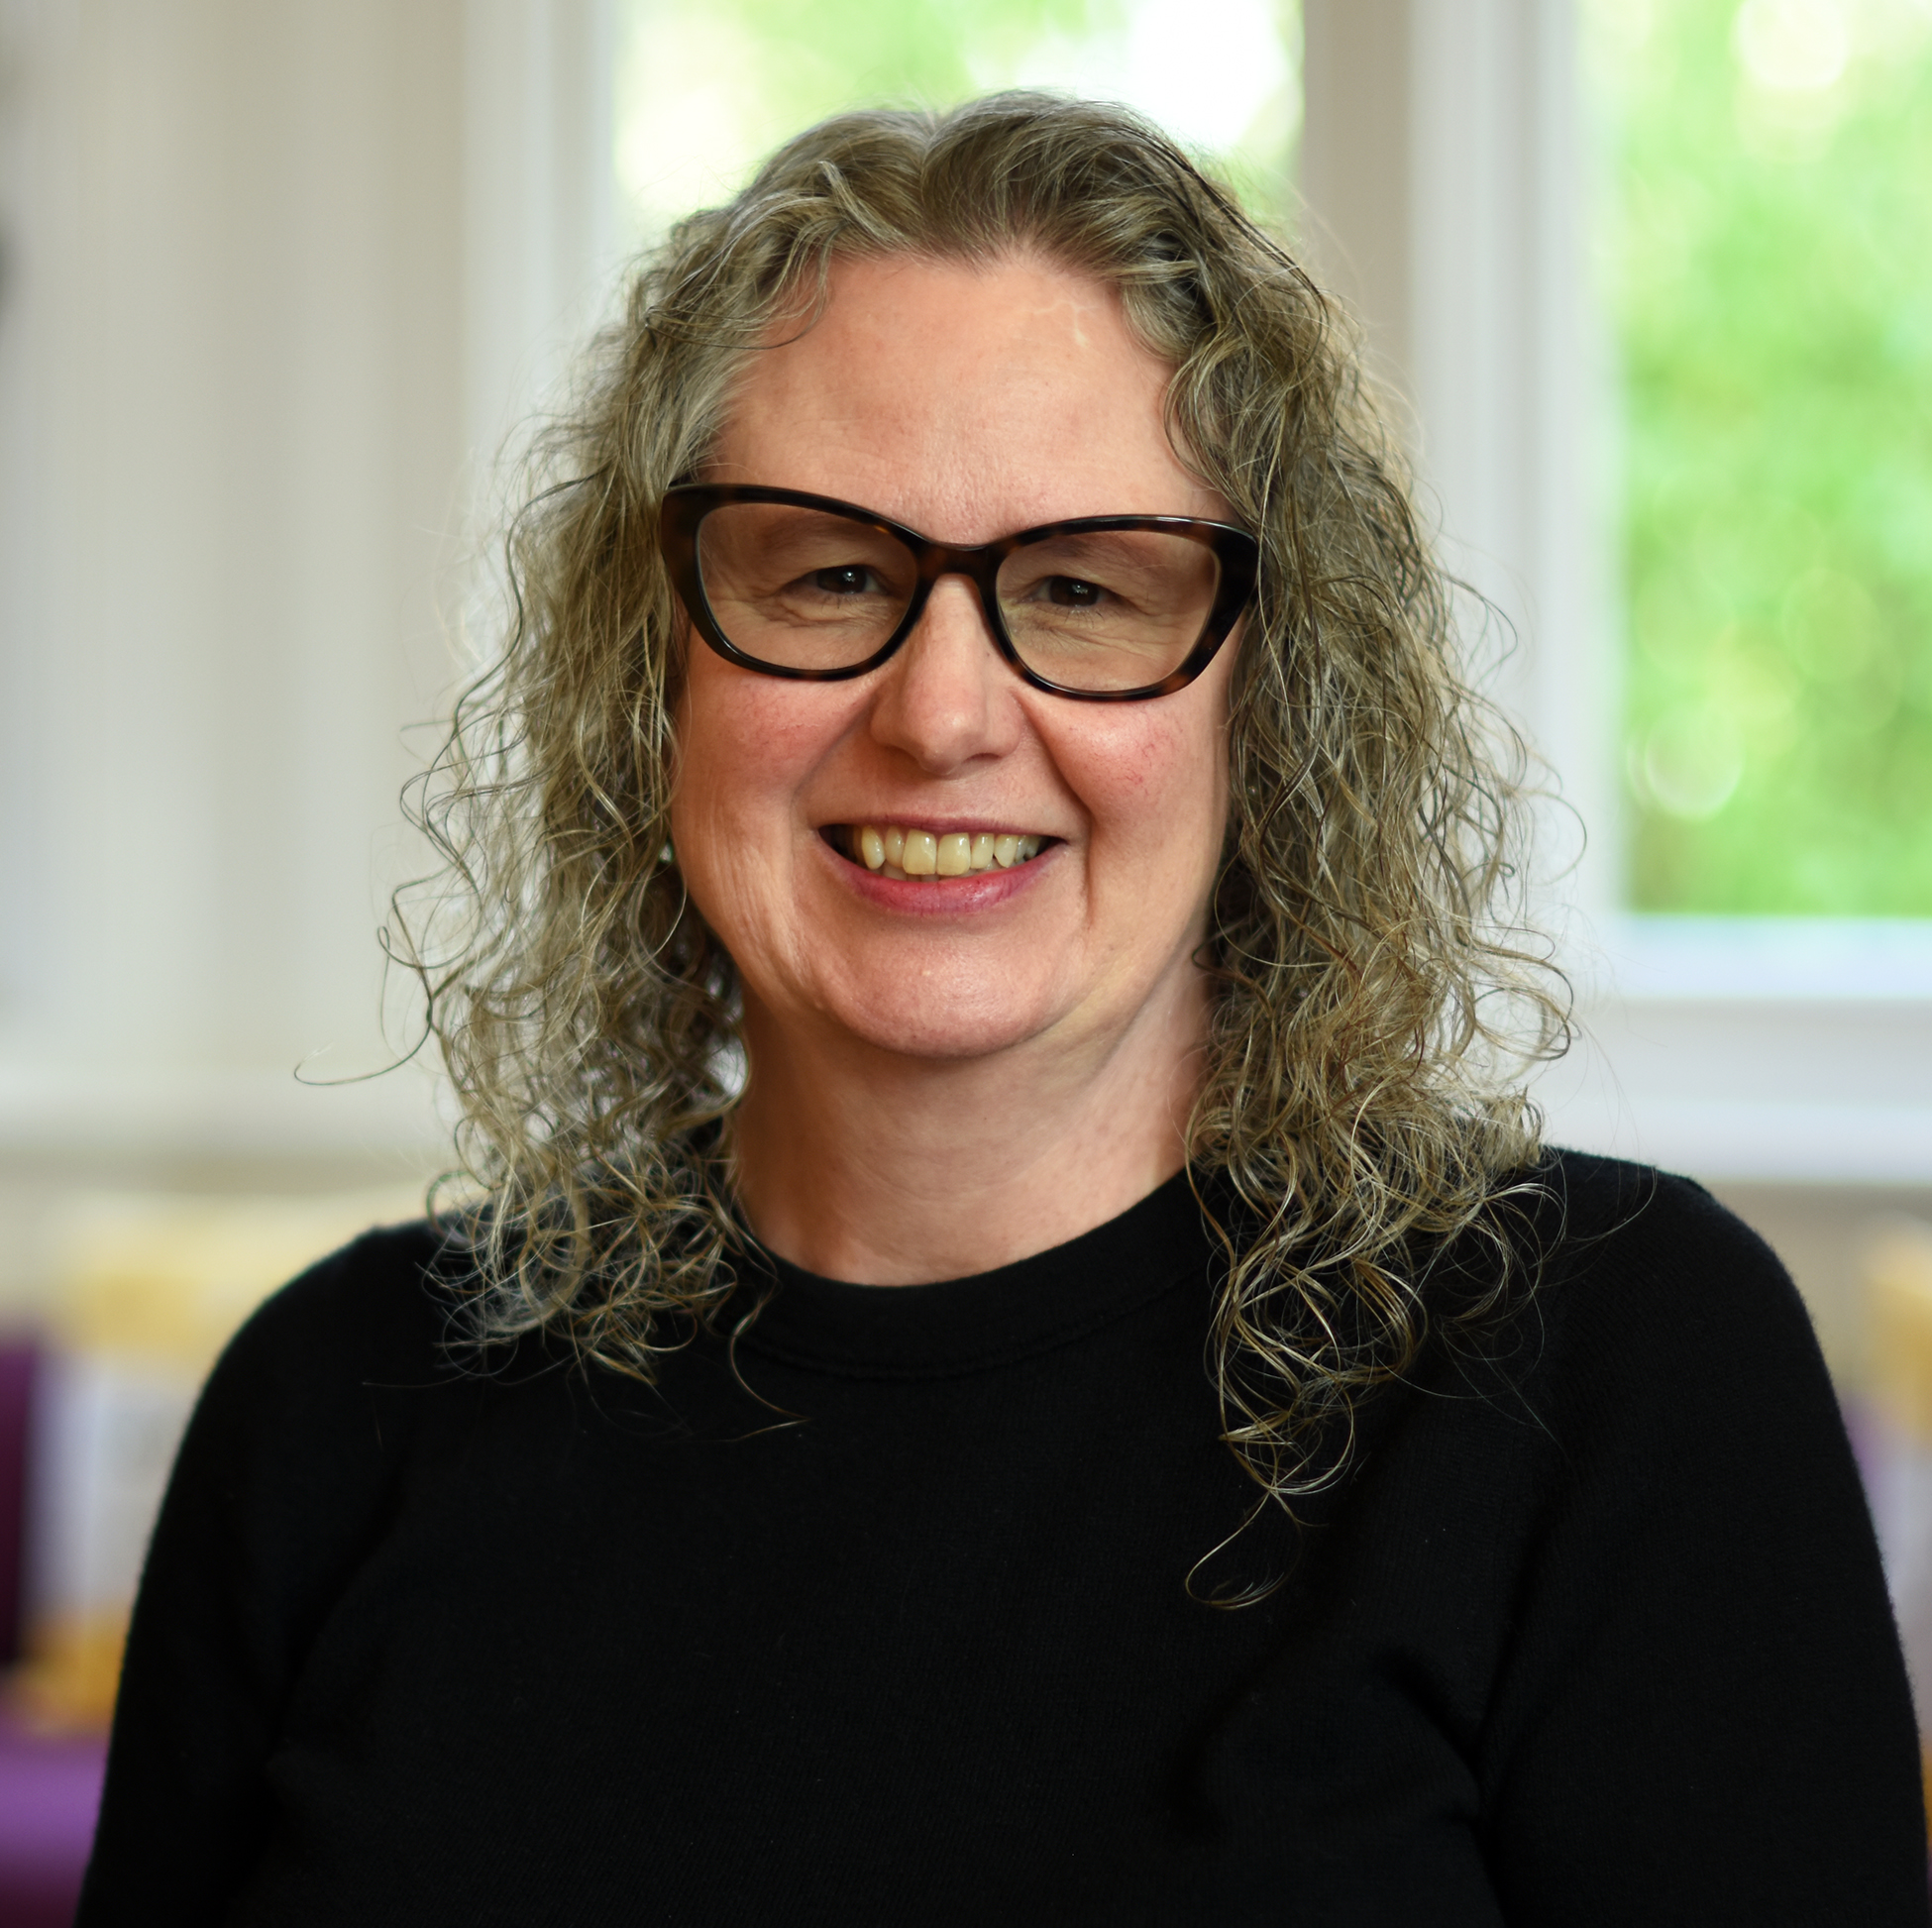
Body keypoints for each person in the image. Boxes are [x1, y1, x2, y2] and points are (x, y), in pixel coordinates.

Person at [78, 95, 1926, 1924]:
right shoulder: (335, 1404)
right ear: (649, 672)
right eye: (827, 574)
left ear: (1270, 709)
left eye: (1082, 587)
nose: (942, 709)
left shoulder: (1608, 1366)